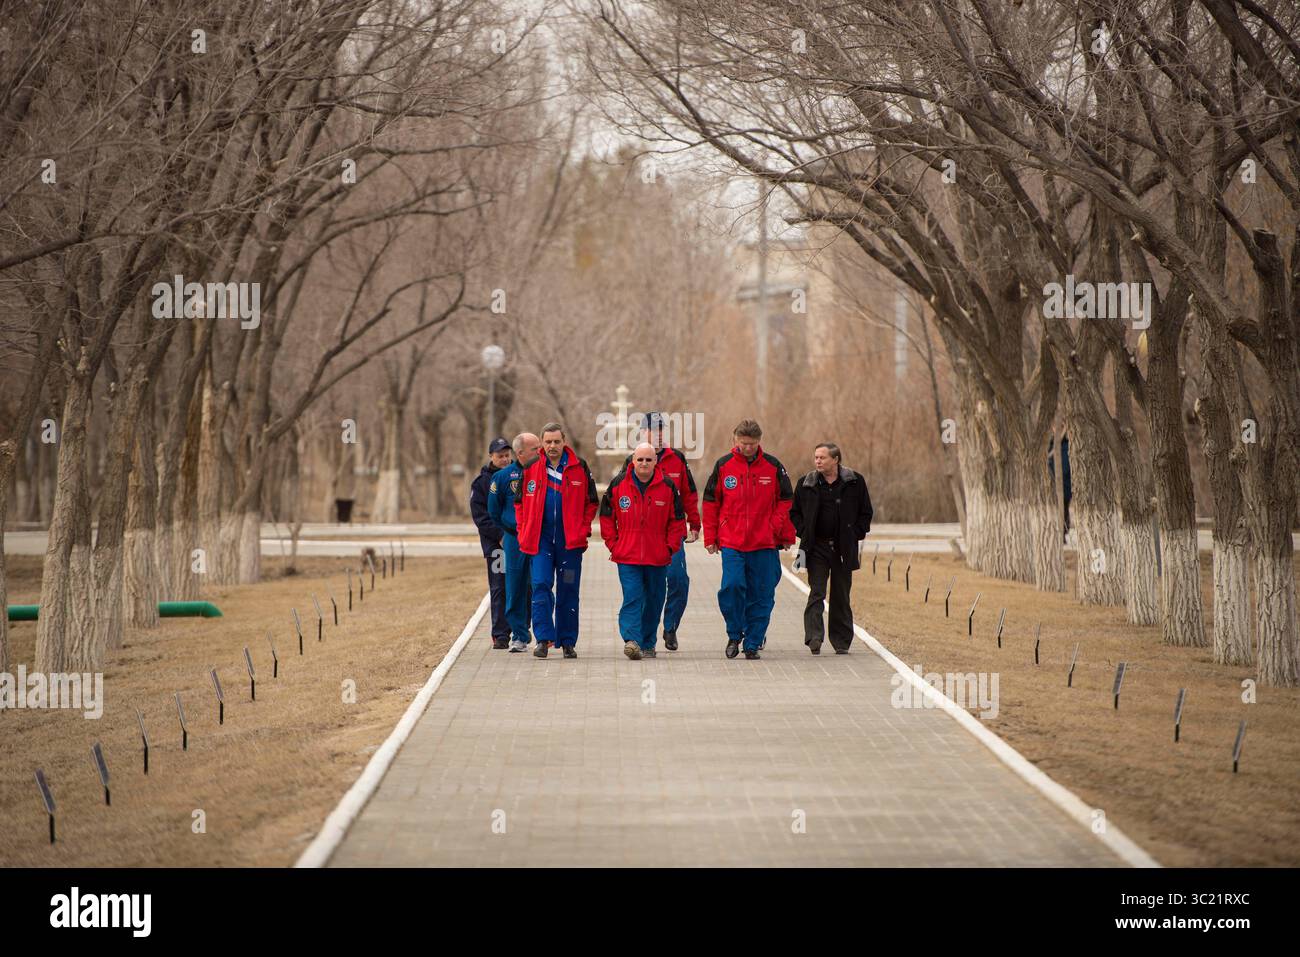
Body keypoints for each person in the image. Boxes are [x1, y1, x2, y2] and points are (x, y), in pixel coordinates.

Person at [702, 419, 796, 660]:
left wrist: (778, 529)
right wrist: (711, 536)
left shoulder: (773, 466)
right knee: (732, 587)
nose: (747, 448)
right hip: (732, 541)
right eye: (743, 443)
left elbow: (787, 500)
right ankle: (734, 633)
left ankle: (753, 642)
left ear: (759, 441)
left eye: (752, 444)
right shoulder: (723, 466)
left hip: (763, 543)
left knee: (761, 593)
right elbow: (711, 503)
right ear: (735, 440)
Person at [515, 422, 598, 659]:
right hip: (540, 542)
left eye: (557, 441)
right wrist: (523, 531)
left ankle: (568, 641)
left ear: (564, 442)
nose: (552, 446)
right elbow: (519, 503)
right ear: (542, 443)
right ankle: (543, 639)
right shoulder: (531, 467)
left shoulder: (579, 467)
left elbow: (591, 502)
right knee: (540, 585)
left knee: (568, 589)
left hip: (569, 544)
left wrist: (582, 530)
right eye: (548, 442)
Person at [601, 442, 687, 660]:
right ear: (633, 461)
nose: (644, 463)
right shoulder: (619, 484)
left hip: (657, 556)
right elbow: (606, 517)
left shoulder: (668, 487)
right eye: (640, 459)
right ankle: (632, 640)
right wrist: (614, 544)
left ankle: (648, 642)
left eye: (648, 459)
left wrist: (669, 548)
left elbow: (677, 522)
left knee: (654, 599)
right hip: (627, 555)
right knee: (632, 596)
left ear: (655, 462)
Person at [623, 412, 700, 652]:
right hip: (645, 537)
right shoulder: (634, 459)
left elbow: (688, 493)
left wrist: (695, 524)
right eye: (650, 429)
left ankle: (670, 626)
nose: (655, 434)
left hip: (673, 532)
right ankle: (645, 636)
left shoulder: (677, 458)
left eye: (659, 429)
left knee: (678, 580)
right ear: (642, 431)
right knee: (648, 587)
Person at [789, 442, 873, 655]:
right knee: (816, 592)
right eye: (816, 457)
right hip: (815, 547)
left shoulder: (855, 482)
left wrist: (855, 533)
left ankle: (842, 641)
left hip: (844, 548)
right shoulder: (805, 483)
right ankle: (814, 638)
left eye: (822, 457)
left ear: (835, 460)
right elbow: (794, 512)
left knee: (841, 594)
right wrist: (804, 530)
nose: (818, 461)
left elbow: (866, 512)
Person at [488, 432, 540, 652]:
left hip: (539, 538)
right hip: (514, 539)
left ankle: (543, 633)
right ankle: (519, 635)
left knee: (539, 585)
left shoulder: (543, 473)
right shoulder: (502, 477)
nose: (540, 452)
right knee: (515, 586)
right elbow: (493, 510)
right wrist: (506, 532)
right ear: (520, 453)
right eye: (535, 449)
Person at [471, 437, 514, 649]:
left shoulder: (518, 476)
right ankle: (501, 633)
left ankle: (521, 629)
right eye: (500, 456)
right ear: (491, 457)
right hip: (496, 546)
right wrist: (501, 536)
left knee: (524, 587)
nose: (505, 459)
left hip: (519, 542)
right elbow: (480, 517)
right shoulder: (481, 483)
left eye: (507, 455)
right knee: (500, 587)